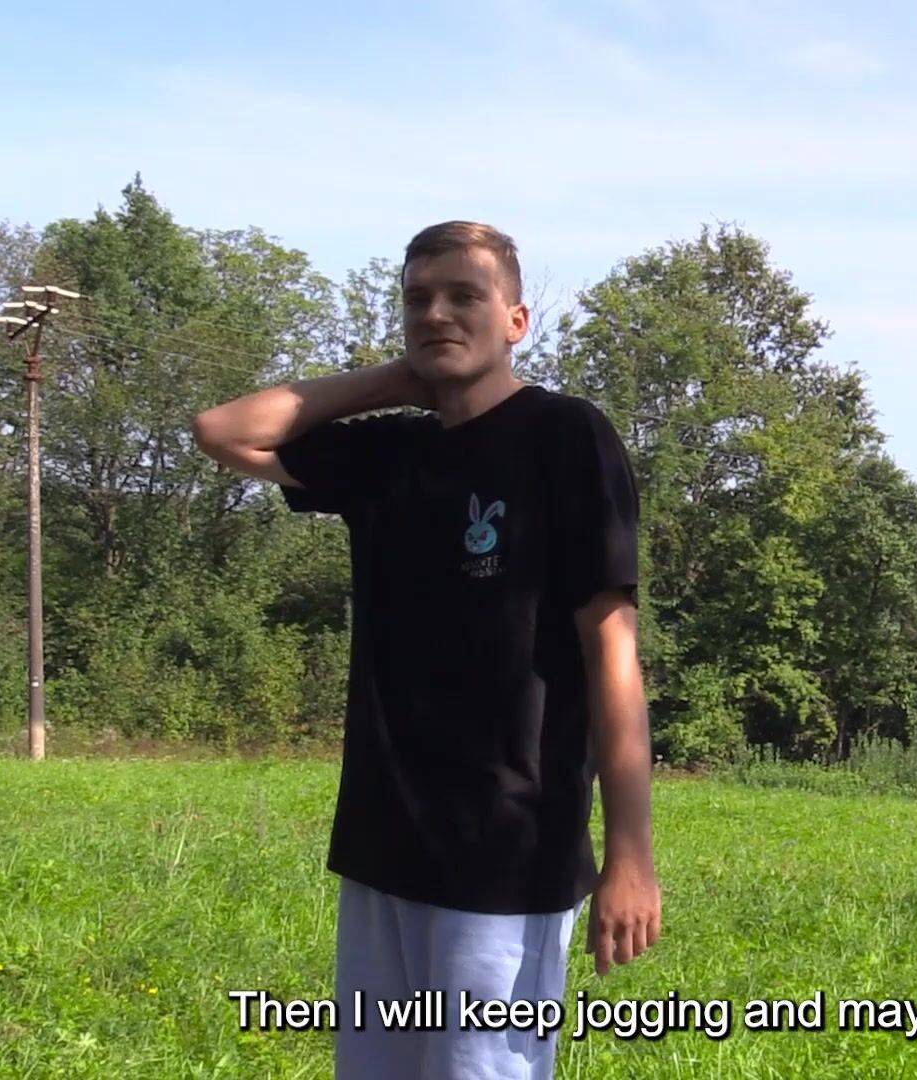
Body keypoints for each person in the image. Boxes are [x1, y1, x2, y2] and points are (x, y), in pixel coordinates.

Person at [192, 221, 660, 1079]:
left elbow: (613, 653)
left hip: (506, 857)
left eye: (464, 296)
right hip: (383, 847)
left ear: (516, 321)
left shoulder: (566, 436)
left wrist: (630, 853)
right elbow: (224, 429)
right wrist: (402, 376)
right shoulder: (389, 454)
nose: (437, 313)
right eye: (418, 300)